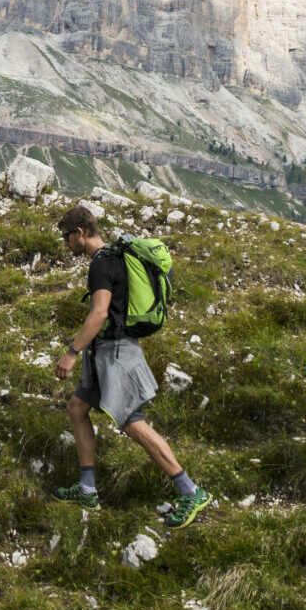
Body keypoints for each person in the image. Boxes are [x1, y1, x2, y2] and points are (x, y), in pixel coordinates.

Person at [49, 204, 214, 527]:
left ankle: (190, 490)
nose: (66, 244)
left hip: (115, 354)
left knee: (132, 423)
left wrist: (71, 352)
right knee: (77, 407)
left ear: (80, 233)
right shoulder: (113, 256)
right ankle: (86, 489)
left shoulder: (101, 264)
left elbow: (98, 313)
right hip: (104, 353)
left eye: (66, 238)